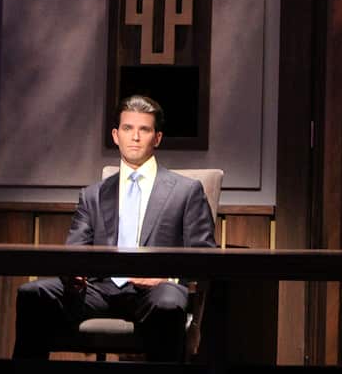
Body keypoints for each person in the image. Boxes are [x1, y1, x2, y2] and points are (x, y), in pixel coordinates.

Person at [13, 95, 217, 361]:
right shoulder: (93, 195)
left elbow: (204, 255)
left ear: (157, 138)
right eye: (127, 128)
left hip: (156, 288)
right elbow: (74, 251)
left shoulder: (186, 191)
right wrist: (72, 275)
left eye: (144, 130)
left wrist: (169, 279)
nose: (135, 137)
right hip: (101, 288)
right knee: (33, 294)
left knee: (168, 303)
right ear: (115, 135)